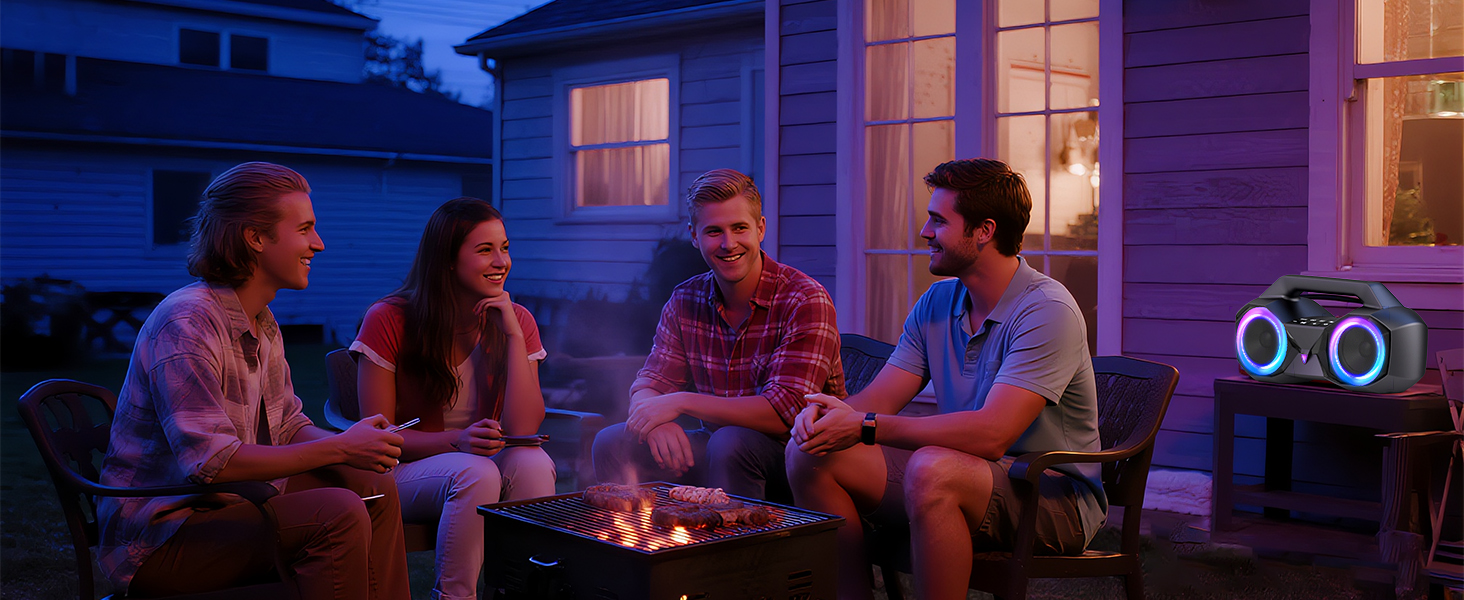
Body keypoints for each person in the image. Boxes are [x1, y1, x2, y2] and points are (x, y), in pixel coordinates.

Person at [787, 158, 1105, 600]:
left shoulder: (1046, 310)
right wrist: (829, 415)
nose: (924, 231)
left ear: (984, 230)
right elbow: (880, 398)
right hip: (957, 474)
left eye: (938, 220)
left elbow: (993, 435)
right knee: (810, 453)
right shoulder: (938, 301)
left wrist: (865, 427)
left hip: (1051, 498)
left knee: (933, 468)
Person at [98, 162, 411, 600]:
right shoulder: (187, 323)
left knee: (372, 486)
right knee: (334, 511)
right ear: (256, 237)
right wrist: (341, 446)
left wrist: (358, 446)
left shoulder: (261, 323)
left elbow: (287, 425)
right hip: (161, 538)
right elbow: (213, 463)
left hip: (229, 507)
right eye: (304, 229)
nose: (318, 244)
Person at [591, 168, 845, 501]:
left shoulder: (804, 298)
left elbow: (786, 411)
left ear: (761, 228)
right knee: (611, 442)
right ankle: (642, 547)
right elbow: (649, 384)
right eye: (714, 231)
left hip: (804, 460)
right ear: (694, 236)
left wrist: (680, 402)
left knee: (730, 443)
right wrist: (653, 419)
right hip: (722, 451)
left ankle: (739, 550)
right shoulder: (686, 299)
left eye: (739, 228)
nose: (728, 243)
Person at [352, 197, 556, 600]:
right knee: (475, 472)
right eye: (485, 250)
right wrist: (457, 442)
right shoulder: (391, 318)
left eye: (505, 247)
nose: (501, 261)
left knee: (533, 462)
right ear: (446, 259)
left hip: (479, 463)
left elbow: (524, 428)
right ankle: (454, 597)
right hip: (402, 471)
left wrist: (514, 336)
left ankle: (521, 594)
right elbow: (374, 439)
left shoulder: (517, 321)